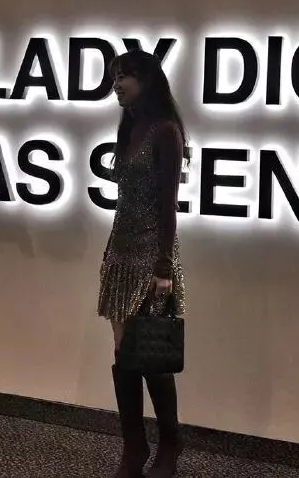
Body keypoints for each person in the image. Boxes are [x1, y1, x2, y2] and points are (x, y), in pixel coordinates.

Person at [97, 49, 187, 478]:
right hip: (120, 253)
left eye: (125, 76)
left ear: (147, 81)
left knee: (150, 354)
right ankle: (134, 445)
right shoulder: (129, 127)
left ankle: (170, 442)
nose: (116, 84)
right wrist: (111, 253)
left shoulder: (165, 131)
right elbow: (125, 201)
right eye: (115, 76)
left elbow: (168, 205)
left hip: (152, 256)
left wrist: (164, 267)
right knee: (124, 353)